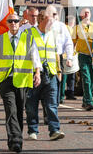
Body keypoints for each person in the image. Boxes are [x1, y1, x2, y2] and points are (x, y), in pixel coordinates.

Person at [0, 13, 41, 153]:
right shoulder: (0, 39)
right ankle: (16, 140)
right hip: (6, 79)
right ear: (7, 23)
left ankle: (14, 141)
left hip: (22, 79)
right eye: (10, 21)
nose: (13, 23)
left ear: (19, 23)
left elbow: (35, 56)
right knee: (10, 110)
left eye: (15, 21)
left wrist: (37, 72)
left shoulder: (28, 38)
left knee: (18, 112)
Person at [26, 8, 66, 141]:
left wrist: (59, 71)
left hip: (51, 74)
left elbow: (56, 54)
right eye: (49, 21)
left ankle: (54, 129)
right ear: (41, 20)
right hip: (33, 75)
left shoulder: (52, 34)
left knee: (51, 104)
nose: (51, 25)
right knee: (32, 104)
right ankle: (33, 129)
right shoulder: (29, 33)